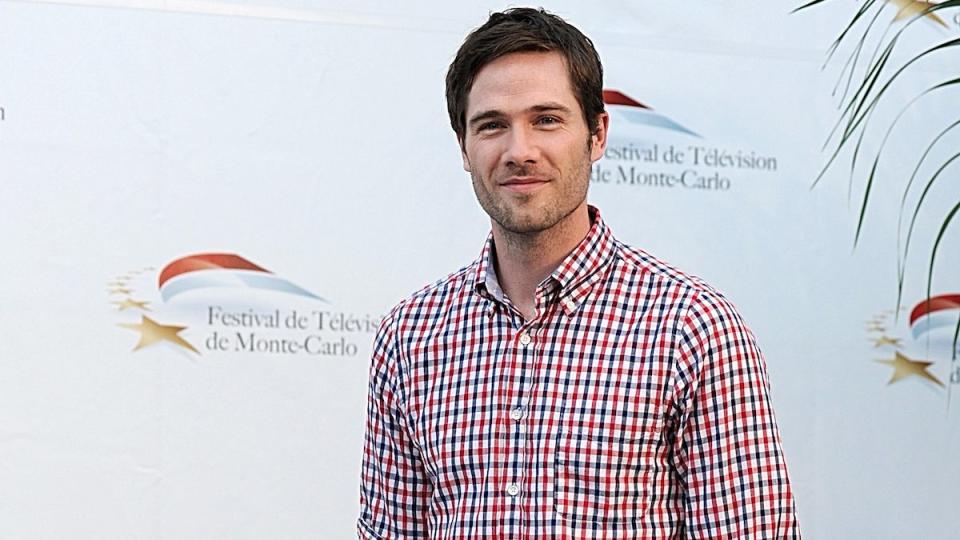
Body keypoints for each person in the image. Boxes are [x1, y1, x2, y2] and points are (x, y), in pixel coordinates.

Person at [358, 7, 800, 539]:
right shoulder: (410, 337)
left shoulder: (694, 330)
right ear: (464, 148)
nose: (519, 151)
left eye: (547, 119)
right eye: (492, 125)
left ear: (597, 134)